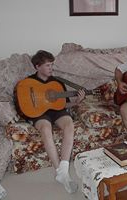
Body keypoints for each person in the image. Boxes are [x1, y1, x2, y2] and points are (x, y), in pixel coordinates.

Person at [23, 50, 85, 193]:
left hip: (56, 111)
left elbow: (63, 104)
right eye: (47, 65)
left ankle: (62, 170)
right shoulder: (27, 82)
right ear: (37, 67)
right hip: (39, 113)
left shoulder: (57, 83)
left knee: (69, 124)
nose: (51, 68)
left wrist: (76, 102)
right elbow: (22, 99)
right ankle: (60, 171)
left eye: (52, 65)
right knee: (45, 128)